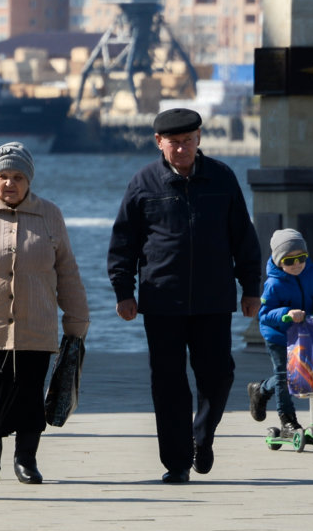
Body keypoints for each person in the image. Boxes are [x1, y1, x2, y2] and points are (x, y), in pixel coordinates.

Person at [107, 108, 261, 484]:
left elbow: (244, 237)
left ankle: (201, 437)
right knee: (168, 382)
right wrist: (124, 291)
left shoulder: (222, 178)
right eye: (173, 143)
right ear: (159, 143)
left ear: (199, 139)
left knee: (219, 375)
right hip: (162, 300)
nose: (181, 149)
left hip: (214, 298)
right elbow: (123, 243)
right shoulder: (143, 183)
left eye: (188, 141)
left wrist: (251, 288)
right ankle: (176, 462)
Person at [0, 142, 89, 484]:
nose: (10, 183)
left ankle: (26, 459)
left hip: (35, 322)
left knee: (28, 394)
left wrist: (77, 318)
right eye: (4, 176)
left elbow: (67, 268)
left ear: (29, 180)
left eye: (18, 177)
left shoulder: (50, 214)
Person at [248, 228, 313, 431]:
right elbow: (265, 314)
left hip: (303, 332)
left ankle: (260, 390)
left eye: (301, 258)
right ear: (279, 261)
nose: (296, 264)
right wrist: (287, 312)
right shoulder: (274, 283)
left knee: (297, 373)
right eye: (289, 261)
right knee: (283, 376)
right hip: (278, 334)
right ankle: (287, 420)